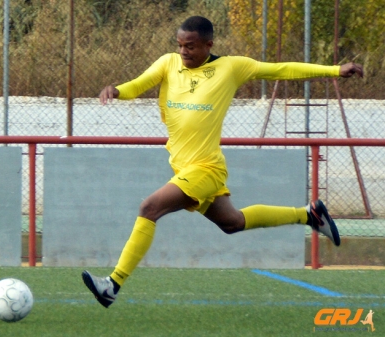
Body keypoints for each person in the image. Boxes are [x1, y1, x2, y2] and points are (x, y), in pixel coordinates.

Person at [82, 16, 364, 308]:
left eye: (190, 46)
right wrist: (116, 90)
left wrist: (334, 70)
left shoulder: (230, 67)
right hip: (184, 167)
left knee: (149, 208)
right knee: (232, 222)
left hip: (206, 169)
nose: (183, 52)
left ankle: (112, 284)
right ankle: (309, 215)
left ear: (209, 45)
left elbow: (280, 69)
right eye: (180, 45)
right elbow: (137, 85)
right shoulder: (168, 64)